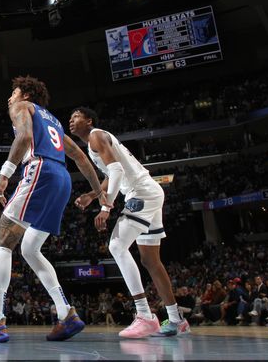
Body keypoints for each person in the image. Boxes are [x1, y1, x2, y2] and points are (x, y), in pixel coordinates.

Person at [0, 76, 106, 343]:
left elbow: (25, 136)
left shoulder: (22, 108)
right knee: (29, 249)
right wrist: (99, 194)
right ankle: (66, 312)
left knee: (4, 242)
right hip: (62, 178)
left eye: (13, 92)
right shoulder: (52, 119)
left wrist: (4, 176)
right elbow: (80, 157)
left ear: (25, 95)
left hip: (40, 169)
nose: (10, 97)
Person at [69, 107, 191, 338]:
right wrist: (93, 194)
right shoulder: (95, 142)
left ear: (89, 120)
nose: (71, 121)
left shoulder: (96, 135)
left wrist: (106, 207)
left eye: (76, 117)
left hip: (141, 193)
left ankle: (145, 315)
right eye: (70, 118)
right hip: (149, 193)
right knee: (150, 261)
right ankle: (177, 320)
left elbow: (115, 171)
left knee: (116, 246)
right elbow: (111, 174)